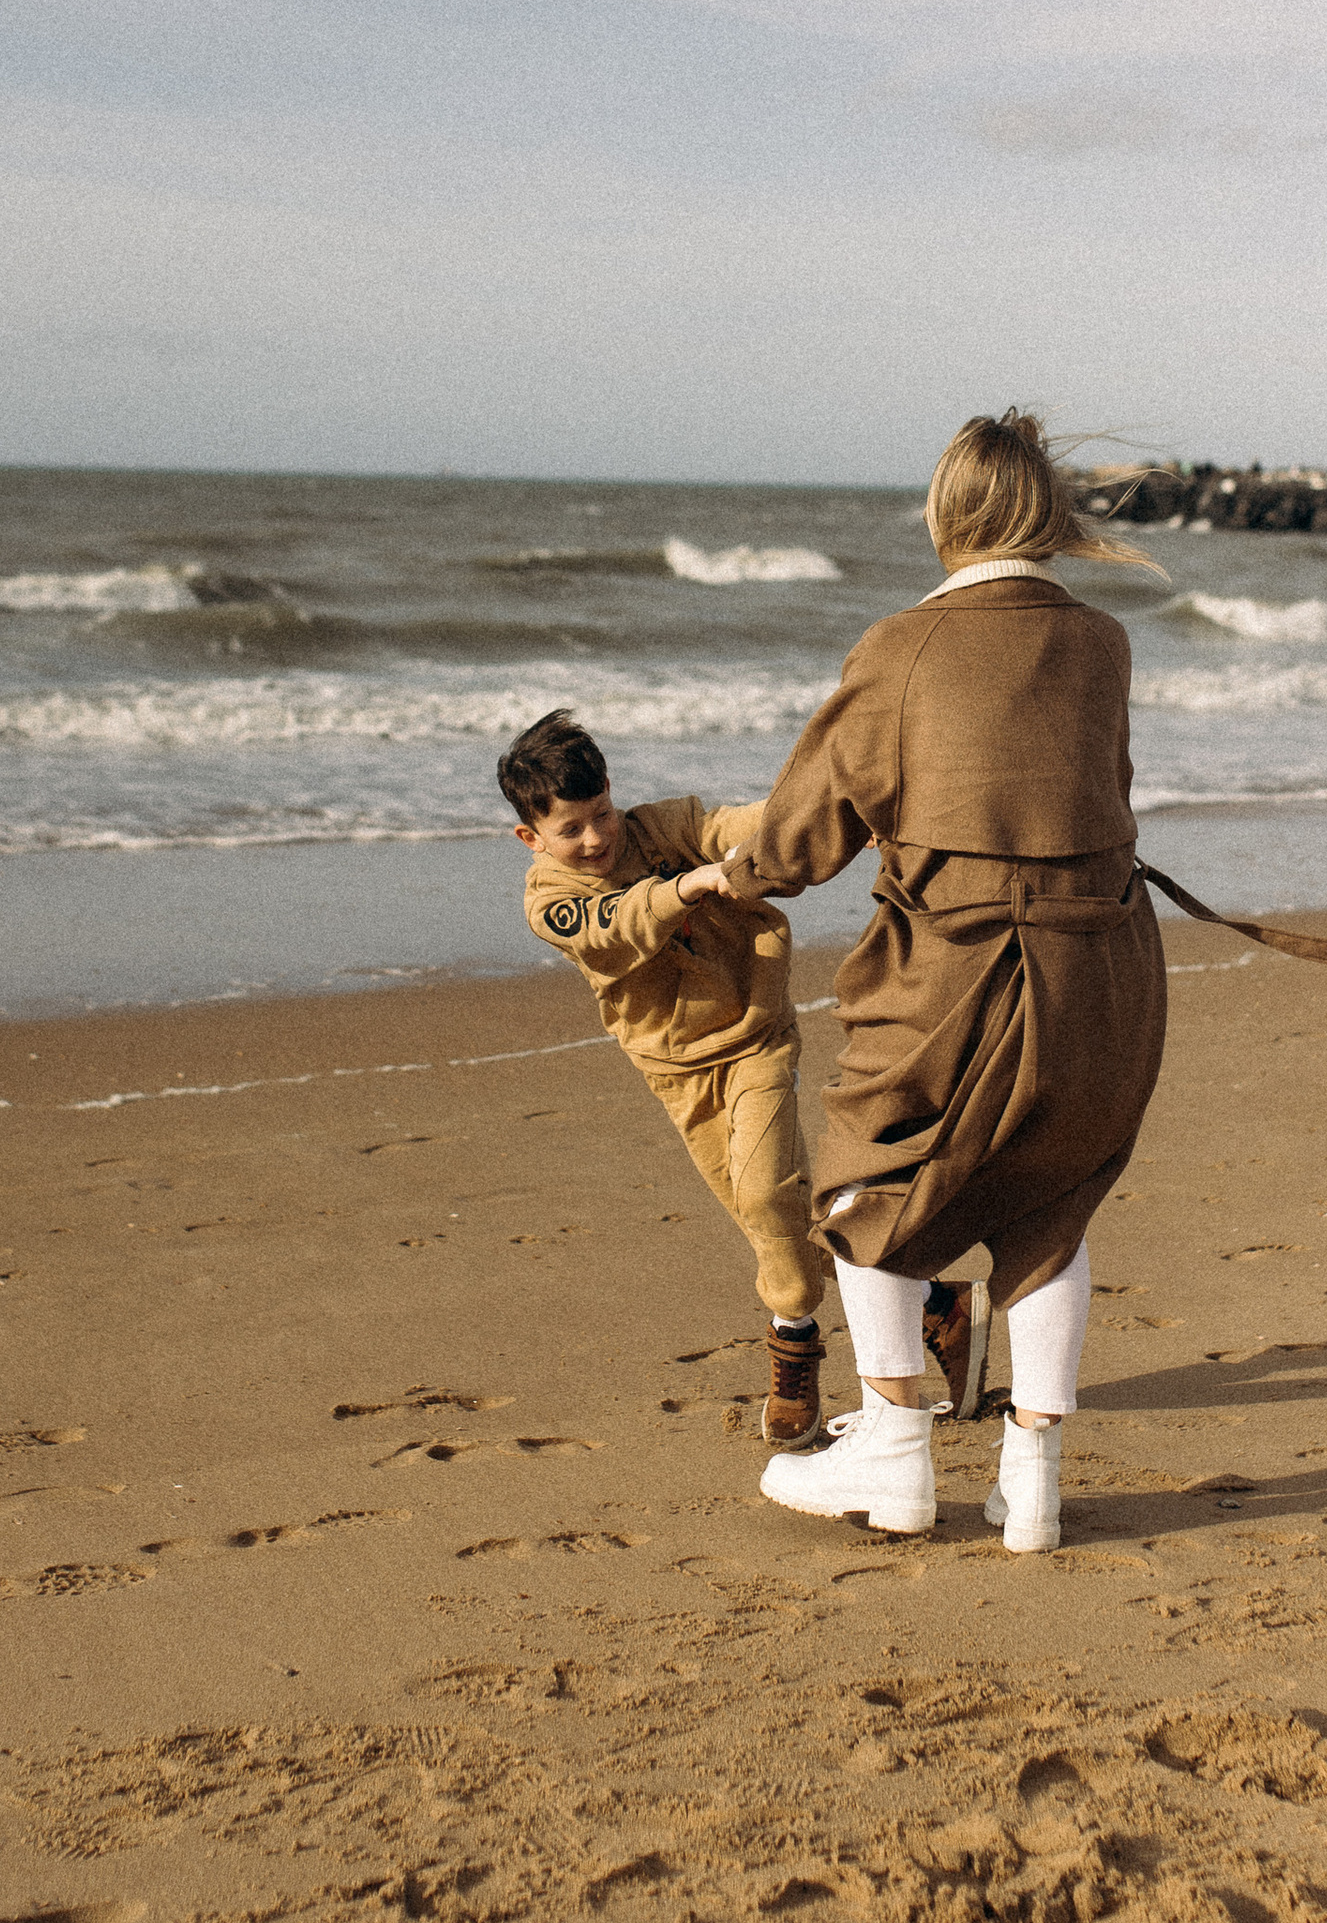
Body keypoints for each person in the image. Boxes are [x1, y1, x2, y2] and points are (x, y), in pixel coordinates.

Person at [698, 410, 1171, 1556]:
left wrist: (722, 873)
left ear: (944, 512)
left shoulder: (898, 647)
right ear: (1049, 515)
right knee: (1050, 1204)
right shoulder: (1102, 642)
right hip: (1105, 963)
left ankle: (898, 1454)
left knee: (867, 1181)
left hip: (959, 964)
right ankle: (1034, 1482)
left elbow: (807, 836)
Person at [498, 712, 988, 1448]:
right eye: (572, 830)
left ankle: (794, 1345)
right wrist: (689, 887)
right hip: (673, 1072)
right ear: (531, 839)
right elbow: (615, 926)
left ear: (613, 796)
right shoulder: (551, 900)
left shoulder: (663, 828)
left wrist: (851, 816)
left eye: (601, 814)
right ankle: (935, 1305)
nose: (595, 838)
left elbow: (746, 824)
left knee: (766, 1196)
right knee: (773, 1224)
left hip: (754, 1038)